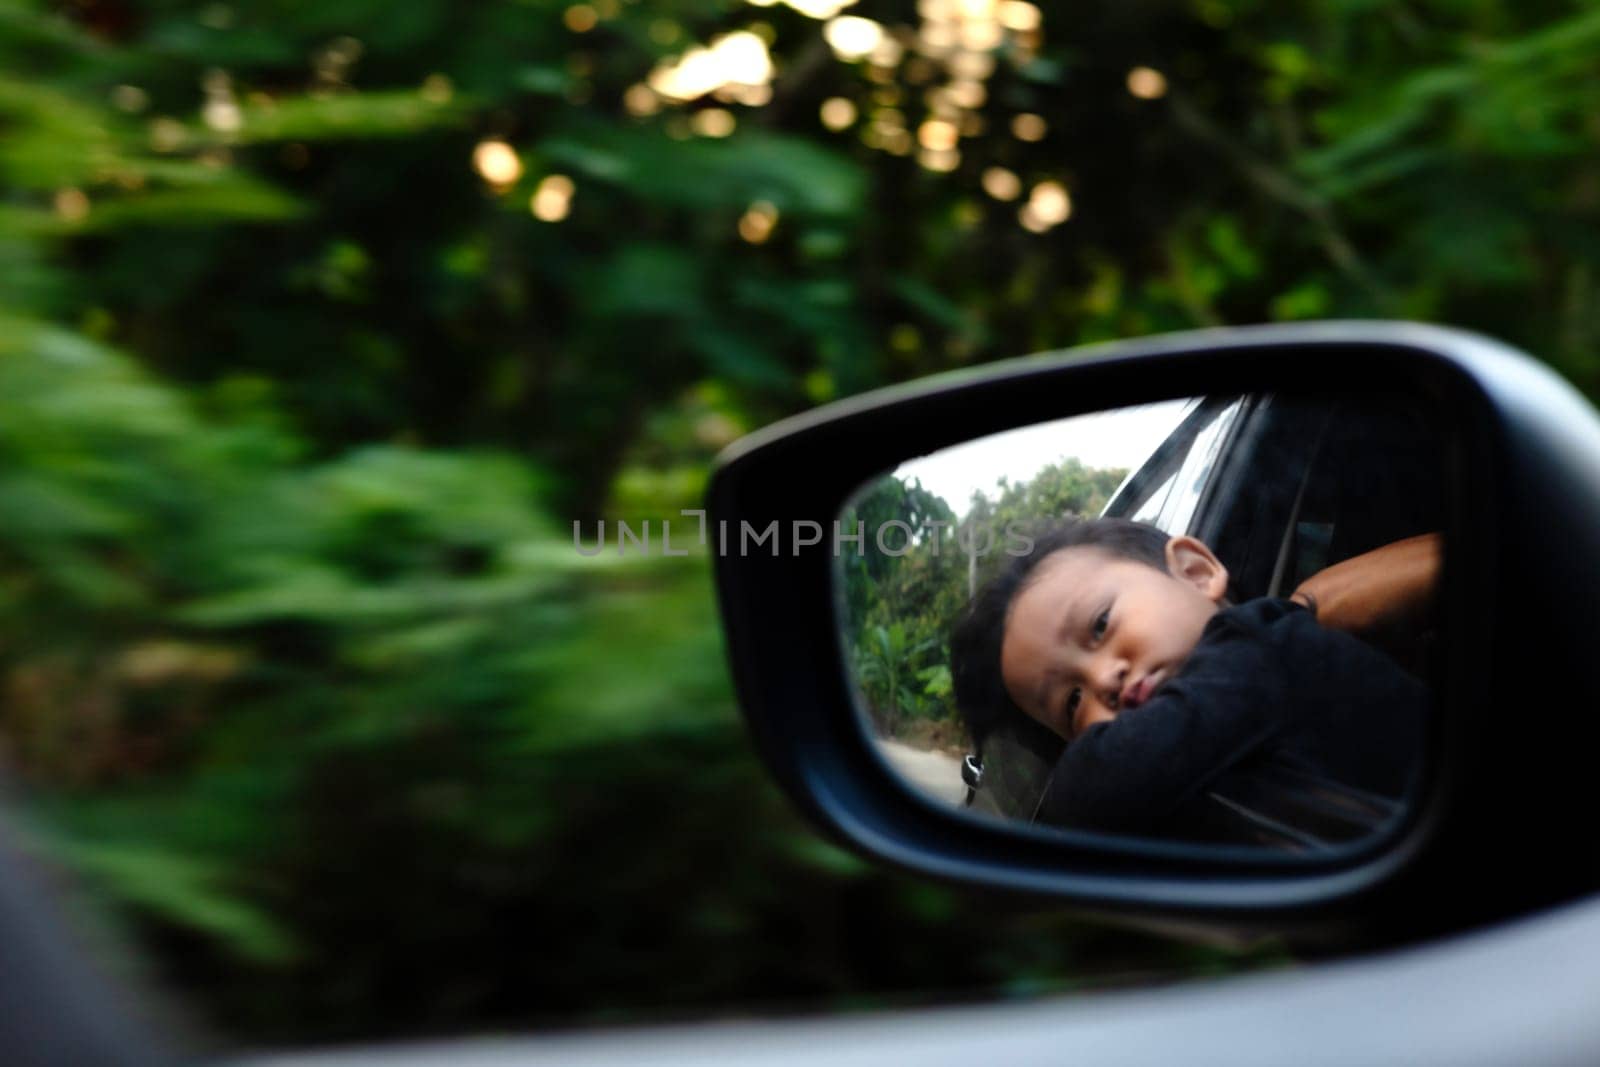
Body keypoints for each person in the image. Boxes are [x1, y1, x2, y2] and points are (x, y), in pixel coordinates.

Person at [949, 518, 1437, 845]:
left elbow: (1085, 790)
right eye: (1072, 702)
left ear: (1197, 571)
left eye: (1100, 625)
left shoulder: (1257, 647)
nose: (1104, 681)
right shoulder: (1217, 710)